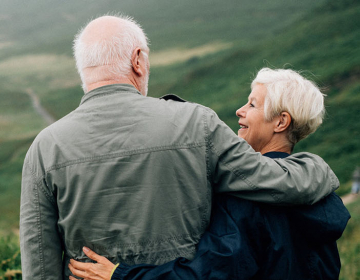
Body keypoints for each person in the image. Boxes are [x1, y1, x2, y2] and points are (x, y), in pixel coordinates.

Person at [19, 15, 340, 279]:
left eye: (252, 104)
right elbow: (273, 181)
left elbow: (40, 267)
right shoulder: (197, 124)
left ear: (82, 69)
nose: (242, 111)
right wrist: (318, 168)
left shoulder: (44, 149)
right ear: (138, 60)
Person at [67, 68, 350, 280]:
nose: (240, 110)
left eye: (252, 104)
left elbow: (207, 274)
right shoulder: (323, 196)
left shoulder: (246, 198)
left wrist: (119, 275)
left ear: (281, 122)